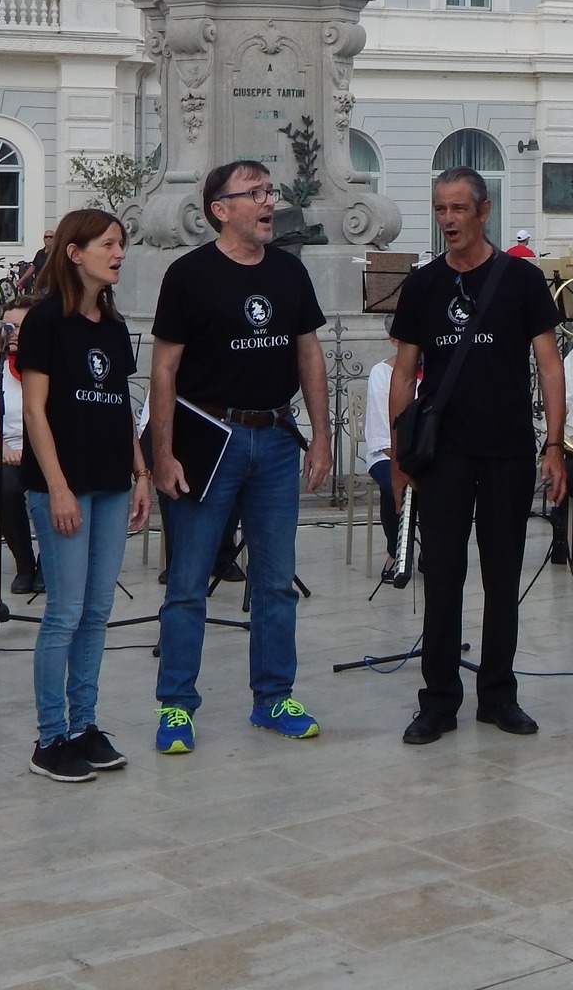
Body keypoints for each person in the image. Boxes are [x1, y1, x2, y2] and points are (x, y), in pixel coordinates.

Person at [149, 161, 330, 753]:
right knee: (188, 581)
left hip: (274, 437)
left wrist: (321, 435)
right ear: (220, 210)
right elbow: (165, 368)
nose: (267, 202)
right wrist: (164, 451)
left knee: (275, 582)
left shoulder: (288, 271)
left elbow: (309, 355)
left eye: (269, 191)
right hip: (210, 438)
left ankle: (274, 697)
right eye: (253, 194)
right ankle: (176, 706)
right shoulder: (188, 274)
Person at [390, 167, 566, 745]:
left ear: (483, 212)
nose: (448, 221)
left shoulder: (521, 279)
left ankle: (498, 693)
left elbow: (550, 364)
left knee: (501, 573)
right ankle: (438, 698)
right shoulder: (422, 285)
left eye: (459, 209)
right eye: (440, 209)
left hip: (507, 449)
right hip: (444, 453)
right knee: (441, 575)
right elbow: (403, 371)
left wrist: (555, 444)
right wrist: (398, 455)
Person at [18, 210, 154, 781]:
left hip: (110, 483)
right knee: (65, 612)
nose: (119, 253)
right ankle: (50, 737)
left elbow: (120, 402)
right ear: (75, 252)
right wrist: (57, 487)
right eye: (108, 244)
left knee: (98, 611)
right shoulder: (46, 320)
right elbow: (34, 409)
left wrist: (140, 471)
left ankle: (84, 724)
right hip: (63, 486)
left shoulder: (114, 327)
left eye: (121, 243)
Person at [0, 297, 42, 595]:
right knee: (7, 488)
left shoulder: (47, 368)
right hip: (5, 453)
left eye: (21, 326)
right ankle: (25, 565)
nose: (12, 332)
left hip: (43, 453)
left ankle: (49, 564)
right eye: (8, 327)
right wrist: (6, 451)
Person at [362, 332, 401, 578]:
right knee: (392, 483)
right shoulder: (381, 372)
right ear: (393, 340)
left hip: (428, 452)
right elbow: (379, 425)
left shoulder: (434, 369)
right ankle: (395, 552)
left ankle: (431, 549)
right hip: (386, 452)